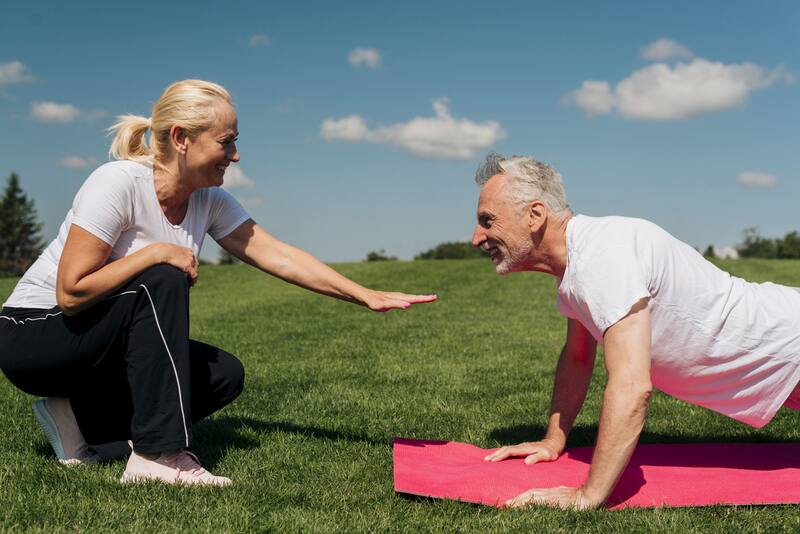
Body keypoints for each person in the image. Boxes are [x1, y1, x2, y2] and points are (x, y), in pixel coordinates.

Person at [0, 79, 436, 486]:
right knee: (162, 276)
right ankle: (156, 457)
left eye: (235, 141)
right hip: (33, 335)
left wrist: (364, 294)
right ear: (181, 139)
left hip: (92, 344)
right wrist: (157, 252)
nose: (236, 154)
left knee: (221, 375)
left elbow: (278, 254)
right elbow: (71, 292)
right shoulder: (117, 182)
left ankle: (76, 417)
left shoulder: (208, 200)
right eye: (226, 142)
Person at [469, 152, 800, 509]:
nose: (477, 238)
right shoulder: (579, 266)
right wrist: (553, 439)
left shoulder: (603, 257)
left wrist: (588, 495)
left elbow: (632, 385)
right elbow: (578, 357)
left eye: (488, 221)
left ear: (534, 215)